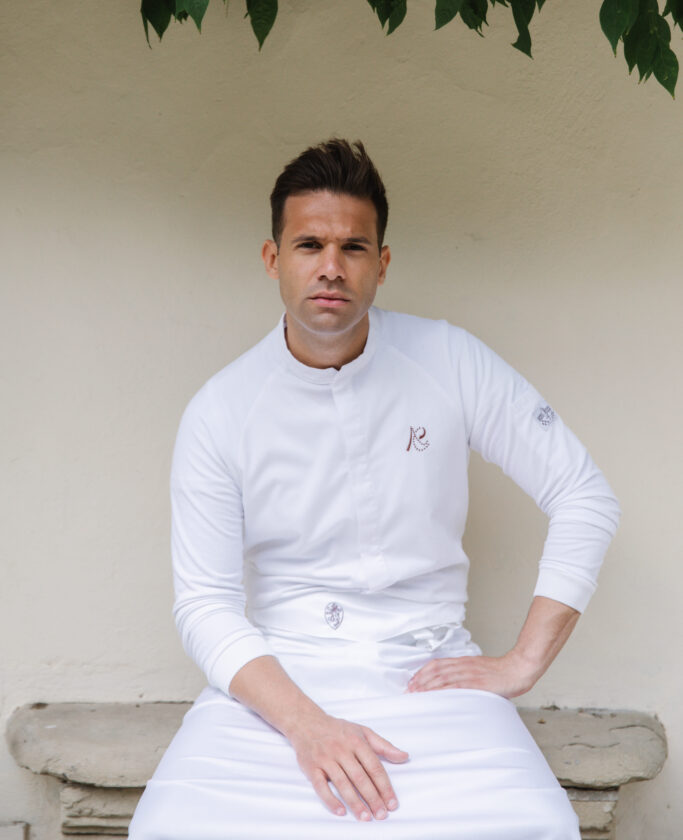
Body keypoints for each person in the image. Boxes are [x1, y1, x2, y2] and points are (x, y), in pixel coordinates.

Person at [129, 139, 620, 839]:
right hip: (277, 683)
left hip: (430, 670)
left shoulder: (449, 359)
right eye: (308, 245)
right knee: (171, 827)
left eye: (353, 247)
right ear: (273, 259)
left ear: (381, 264)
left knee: (534, 825)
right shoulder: (220, 409)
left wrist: (522, 664)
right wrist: (307, 726)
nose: (331, 267)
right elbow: (205, 604)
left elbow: (583, 494)